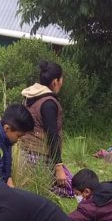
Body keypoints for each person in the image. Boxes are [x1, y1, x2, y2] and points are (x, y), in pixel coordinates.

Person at [20, 61, 73, 197]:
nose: (62, 82)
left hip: (24, 154)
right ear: (55, 81)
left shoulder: (31, 96)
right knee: (71, 187)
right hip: (39, 156)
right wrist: (58, 167)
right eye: (61, 79)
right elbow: (52, 135)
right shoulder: (48, 103)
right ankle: (43, 187)